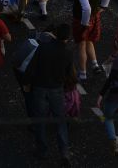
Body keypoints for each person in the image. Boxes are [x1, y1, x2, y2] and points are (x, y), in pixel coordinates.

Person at [24, 22, 74, 165]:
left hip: (40, 87)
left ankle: (42, 150)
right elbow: (69, 73)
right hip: (56, 89)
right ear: (67, 38)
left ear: (56, 34)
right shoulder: (68, 52)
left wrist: (27, 83)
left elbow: (32, 67)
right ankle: (64, 152)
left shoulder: (43, 48)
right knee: (60, 120)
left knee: (40, 119)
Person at [69, 0, 111, 82]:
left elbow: (86, 8)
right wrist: (103, 7)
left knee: (81, 45)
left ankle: (82, 74)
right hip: (95, 17)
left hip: (82, 20)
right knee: (90, 41)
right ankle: (95, 65)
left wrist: (84, 22)